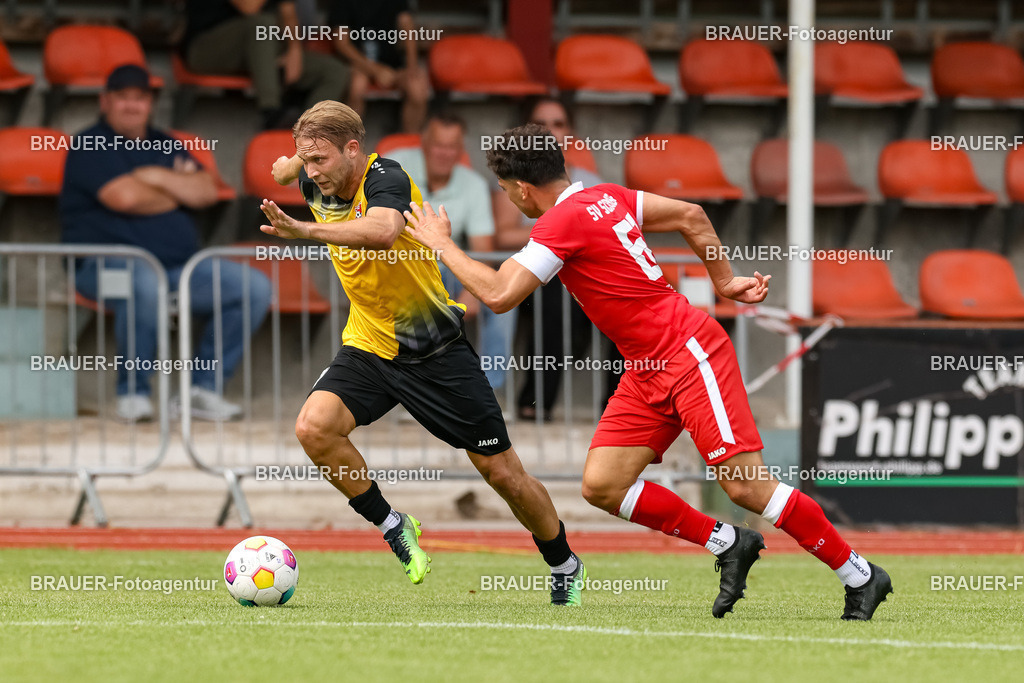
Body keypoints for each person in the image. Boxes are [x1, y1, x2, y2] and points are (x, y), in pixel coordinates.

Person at [403, 123, 894, 621]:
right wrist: (724, 282)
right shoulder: (606, 197)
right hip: (647, 367)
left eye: (508, 192)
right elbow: (691, 214)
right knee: (603, 485)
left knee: (745, 486)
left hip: (689, 353)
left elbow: (500, 295)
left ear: (524, 188)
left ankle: (860, 574)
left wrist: (442, 244)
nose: (511, 202)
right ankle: (727, 542)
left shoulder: (559, 223)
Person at [259, 102, 585, 604]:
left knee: (503, 474)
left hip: (435, 350)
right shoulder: (311, 175)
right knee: (313, 428)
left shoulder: (386, 176)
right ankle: (393, 524)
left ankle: (563, 561)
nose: (314, 171)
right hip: (369, 345)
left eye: (321, 159)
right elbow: (290, 168)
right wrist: (289, 164)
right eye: (308, 160)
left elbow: (384, 230)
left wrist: (304, 231)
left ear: (353, 150)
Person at [60, 64, 272, 422]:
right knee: (144, 281)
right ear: (105, 101)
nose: (131, 106)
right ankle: (134, 393)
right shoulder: (89, 143)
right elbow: (124, 198)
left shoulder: (165, 144)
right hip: (101, 267)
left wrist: (154, 176)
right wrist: (177, 188)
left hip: (178, 267)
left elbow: (205, 192)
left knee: (252, 287)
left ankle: (203, 391)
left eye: (139, 98)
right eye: (122, 98)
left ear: (150, 103)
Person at [492, 98, 615, 420]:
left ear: (570, 132)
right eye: (542, 123)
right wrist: (559, 234)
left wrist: (564, 235)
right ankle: (536, 405)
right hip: (529, 271)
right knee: (556, 301)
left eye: (558, 123)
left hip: (576, 269)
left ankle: (617, 408)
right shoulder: (511, 173)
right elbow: (502, 236)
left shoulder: (588, 177)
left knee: (619, 304)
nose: (551, 131)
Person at [386, 111, 514, 389]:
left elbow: (484, 252)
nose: (444, 153)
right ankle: (418, 394)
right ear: (424, 143)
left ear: (461, 150)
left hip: (449, 269)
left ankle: (486, 393)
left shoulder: (474, 185)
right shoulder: (394, 167)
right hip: (400, 268)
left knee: (501, 299)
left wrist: (475, 289)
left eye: (451, 147)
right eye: (438, 145)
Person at [181, 0, 350, 129]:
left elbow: (288, 12)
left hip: (261, 51)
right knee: (262, 23)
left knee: (334, 71)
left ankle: (313, 132)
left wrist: (294, 51)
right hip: (206, 50)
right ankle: (271, 113)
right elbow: (249, 6)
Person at [328, 0, 430, 133]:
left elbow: (407, 26)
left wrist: (412, 66)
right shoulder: (342, 3)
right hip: (358, 66)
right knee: (357, 85)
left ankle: (409, 144)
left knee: (417, 85)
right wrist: (376, 70)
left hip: (393, 67)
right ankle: (349, 144)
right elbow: (342, 44)